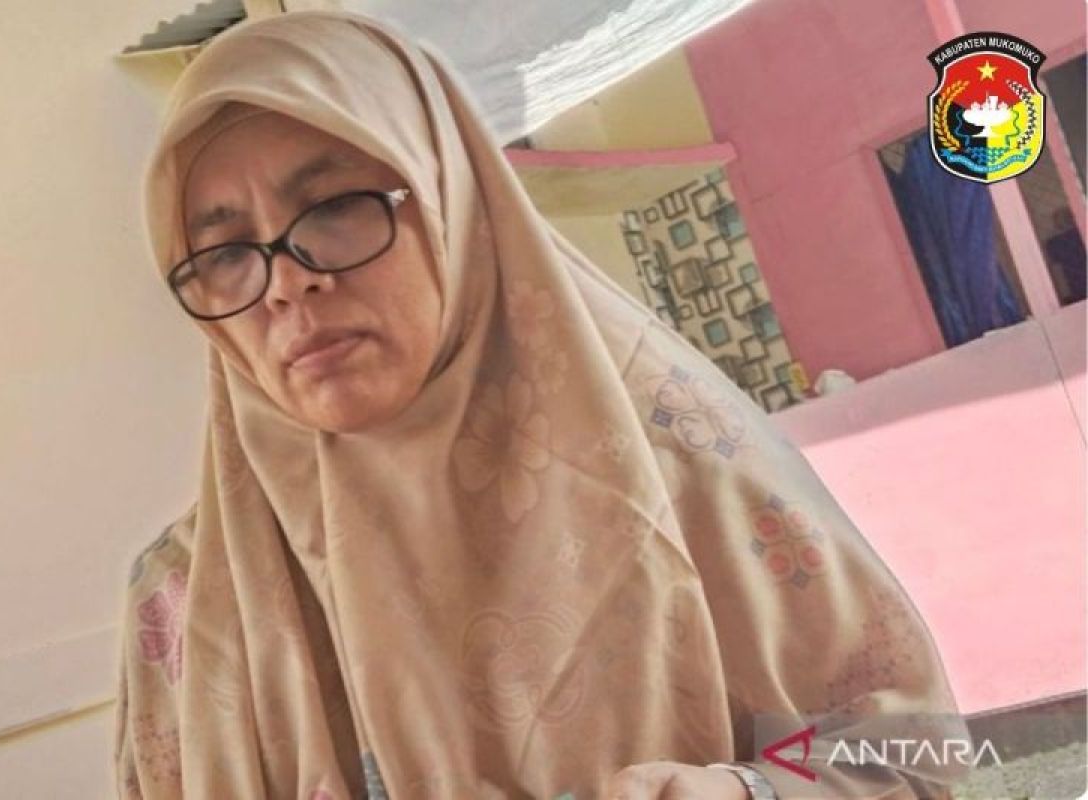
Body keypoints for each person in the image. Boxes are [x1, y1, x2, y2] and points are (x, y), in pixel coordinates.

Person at [113, 11, 970, 799]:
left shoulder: (678, 462)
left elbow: (912, 755)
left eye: (335, 206)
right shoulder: (185, 601)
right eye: (222, 254)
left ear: (452, 199)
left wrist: (748, 792)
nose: (285, 283)